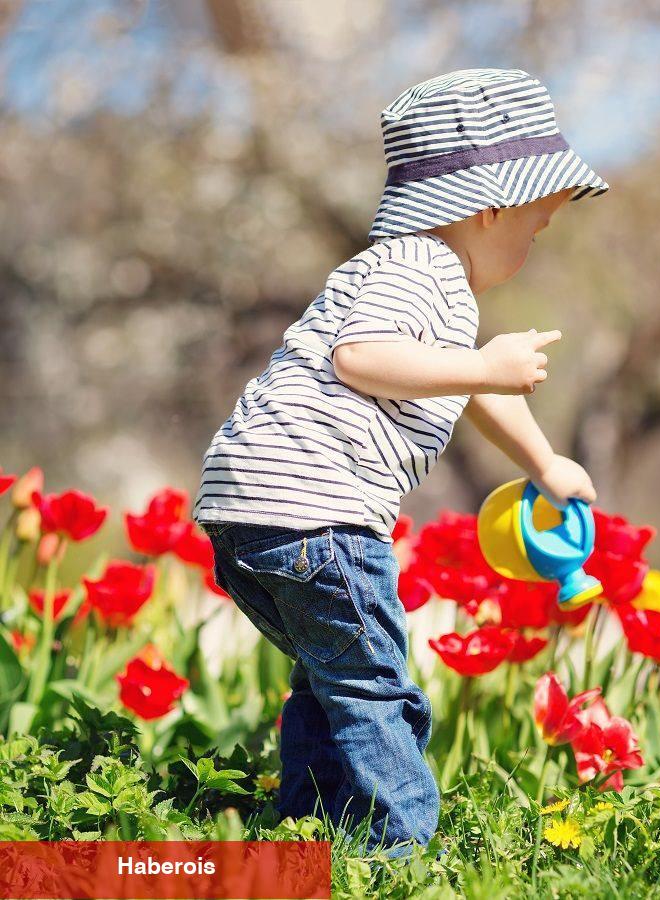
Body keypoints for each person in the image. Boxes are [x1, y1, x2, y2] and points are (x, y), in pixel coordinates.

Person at [191, 68, 607, 857]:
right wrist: (487, 367)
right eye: (537, 225)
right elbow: (364, 357)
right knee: (377, 688)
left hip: (251, 513)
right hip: (317, 512)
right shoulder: (421, 270)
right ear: (489, 209)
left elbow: (467, 382)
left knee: (331, 680)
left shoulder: (411, 275)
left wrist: (546, 464)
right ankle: (401, 855)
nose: (535, 242)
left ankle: (312, 830)